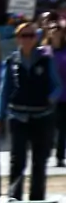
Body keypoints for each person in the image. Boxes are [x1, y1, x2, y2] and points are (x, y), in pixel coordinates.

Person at [0, 22, 62, 201]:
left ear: (36, 38)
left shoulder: (46, 59)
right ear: (17, 38)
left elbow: (58, 86)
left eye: (31, 35)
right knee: (17, 160)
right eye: (24, 36)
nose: (27, 39)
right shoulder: (11, 61)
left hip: (42, 116)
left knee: (39, 161)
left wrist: (49, 99)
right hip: (18, 116)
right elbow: (4, 90)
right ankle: (14, 200)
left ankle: (37, 200)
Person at [45, 21, 66, 167]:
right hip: (48, 95)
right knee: (48, 127)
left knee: (63, 127)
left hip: (64, 95)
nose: (56, 32)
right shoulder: (44, 51)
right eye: (52, 29)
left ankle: (60, 156)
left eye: (58, 30)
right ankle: (45, 154)